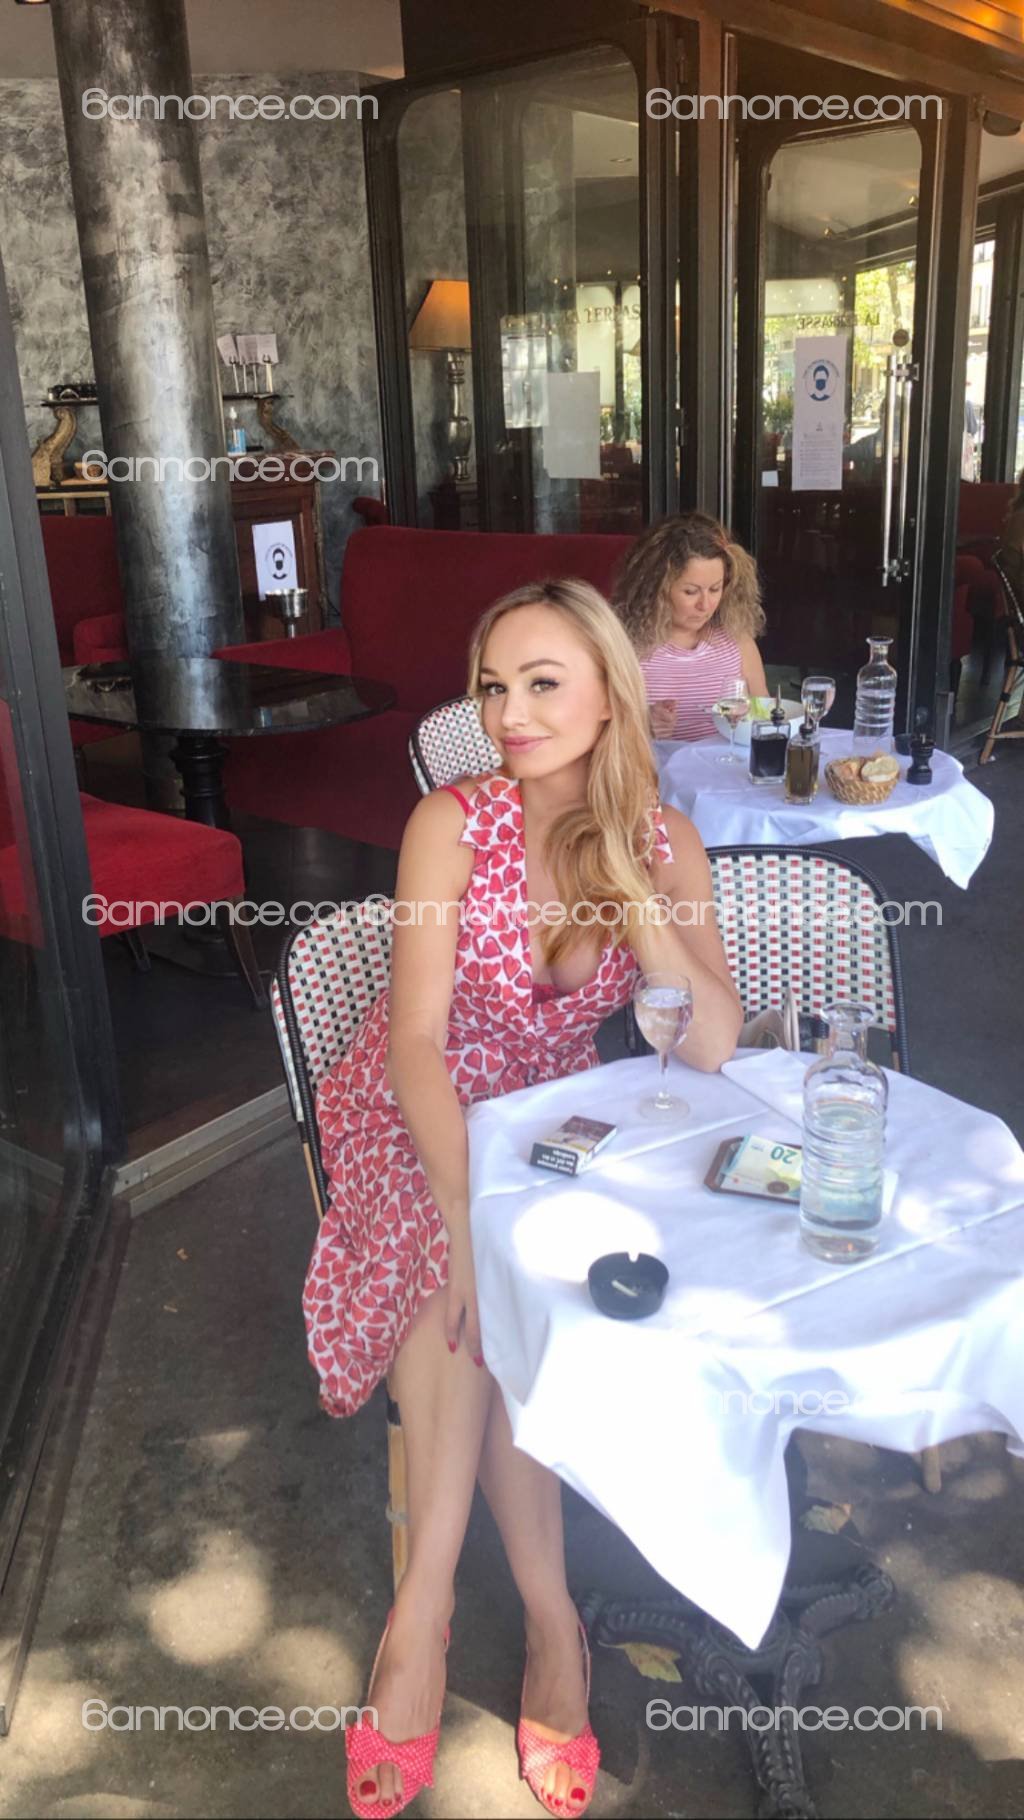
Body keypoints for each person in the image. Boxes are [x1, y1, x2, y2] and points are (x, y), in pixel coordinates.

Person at [304, 579, 743, 1820]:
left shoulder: (665, 840)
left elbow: (713, 1042)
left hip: (559, 1117)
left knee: (511, 1287)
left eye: (543, 682)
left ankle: (484, 1621)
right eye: (494, 685)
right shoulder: (450, 824)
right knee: (477, 1286)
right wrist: (466, 1224)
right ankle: (463, 1612)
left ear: (610, 695)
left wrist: (634, 888)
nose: (508, 712)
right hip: (422, 1109)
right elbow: (413, 1044)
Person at [613, 511, 768, 740]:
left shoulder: (737, 640)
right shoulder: (624, 647)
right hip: (658, 763)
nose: (705, 605)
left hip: (725, 762)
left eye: (715, 589)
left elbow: (765, 718)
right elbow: (596, 729)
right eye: (690, 591)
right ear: (655, 589)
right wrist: (643, 724)